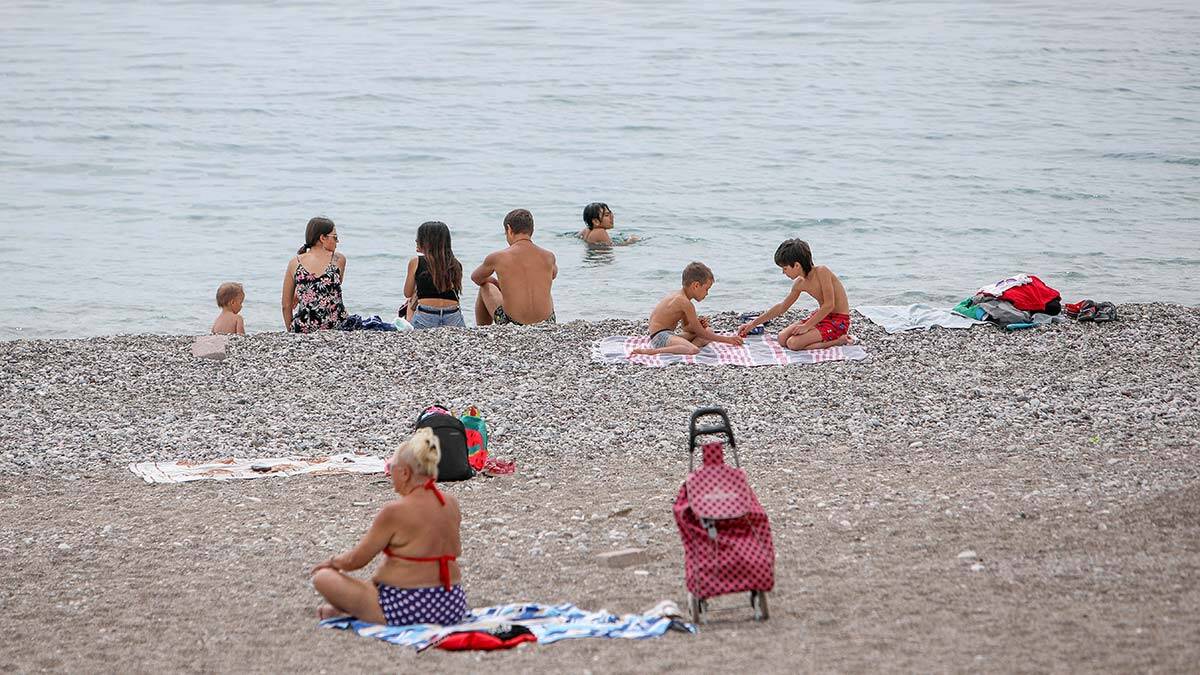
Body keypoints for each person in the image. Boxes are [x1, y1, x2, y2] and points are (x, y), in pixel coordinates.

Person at [311, 428, 468, 626]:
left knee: (323, 578)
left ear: (404, 473)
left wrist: (332, 563)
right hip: (452, 604)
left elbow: (356, 560)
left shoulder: (395, 511)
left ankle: (357, 612)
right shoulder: (451, 503)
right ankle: (345, 611)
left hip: (406, 606)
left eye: (390, 467)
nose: (388, 472)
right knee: (368, 588)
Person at [737, 239, 852, 350]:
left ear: (797, 265)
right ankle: (814, 334)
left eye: (785, 268)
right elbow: (782, 307)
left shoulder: (822, 272)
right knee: (782, 338)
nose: (783, 272)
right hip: (821, 316)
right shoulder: (800, 283)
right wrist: (752, 324)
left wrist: (806, 326)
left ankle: (838, 341)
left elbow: (829, 305)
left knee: (793, 344)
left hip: (838, 320)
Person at [631, 262, 744, 356]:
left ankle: (683, 346)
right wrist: (728, 339)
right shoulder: (684, 302)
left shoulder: (684, 300)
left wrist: (697, 324)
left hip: (669, 335)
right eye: (706, 289)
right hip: (660, 337)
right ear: (695, 285)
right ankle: (652, 352)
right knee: (693, 350)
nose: (707, 293)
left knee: (709, 331)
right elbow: (700, 332)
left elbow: (686, 328)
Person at [472, 209, 557, 326]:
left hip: (512, 324)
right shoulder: (549, 256)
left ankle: (482, 329)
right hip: (547, 322)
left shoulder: (498, 257)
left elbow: (476, 278)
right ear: (532, 230)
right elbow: (553, 275)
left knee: (485, 286)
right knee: (543, 284)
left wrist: (493, 281)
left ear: (509, 229)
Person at [281, 217, 348, 333]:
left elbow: (286, 305)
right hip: (336, 325)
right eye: (335, 237)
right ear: (322, 238)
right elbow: (332, 289)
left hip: (304, 326)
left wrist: (290, 330)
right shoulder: (338, 259)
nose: (337, 242)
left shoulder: (294, 263)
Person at [403, 221, 465, 330]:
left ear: (427, 242)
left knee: (411, 300)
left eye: (419, 238)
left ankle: (409, 323)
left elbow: (407, 293)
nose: (416, 241)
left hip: (426, 316)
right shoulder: (455, 264)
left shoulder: (416, 261)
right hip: (453, 317)